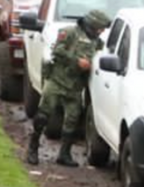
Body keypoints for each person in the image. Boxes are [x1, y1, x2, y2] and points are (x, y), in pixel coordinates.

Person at [25, 9, 110, 167]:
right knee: (44, 114)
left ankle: (64, 153)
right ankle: (33, 148)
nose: (101, 31)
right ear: (92, 25)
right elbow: (58, 50)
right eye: (100, 28)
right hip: (57, 81)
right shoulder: (69, 32)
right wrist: (77, 61)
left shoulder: (97, 42)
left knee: (72, 118)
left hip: (75, 87)